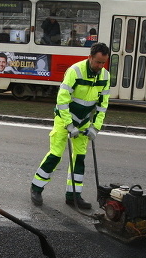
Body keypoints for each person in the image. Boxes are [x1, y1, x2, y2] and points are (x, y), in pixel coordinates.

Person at [30, 43, 110, 209]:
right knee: (55, 155)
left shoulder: (105, 76)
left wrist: (95, 127)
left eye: (103, 63)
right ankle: (36, 188)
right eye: (97, 62)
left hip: (84, 122)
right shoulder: (75, 71)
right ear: (90, 57)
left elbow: (103, 105)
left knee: (79, 158)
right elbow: (62, 100)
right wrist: (68, 124)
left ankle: (73, 195)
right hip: (64, 119)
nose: (100, 66)